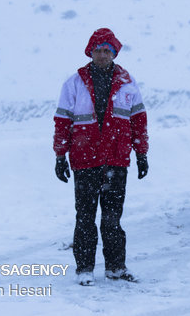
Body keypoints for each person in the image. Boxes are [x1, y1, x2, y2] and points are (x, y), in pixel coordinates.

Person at [53, 28, 149, 286]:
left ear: (114, 52)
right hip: (85, 161)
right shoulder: (73, 83)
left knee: (112, 219)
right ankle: (84, 269)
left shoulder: (128, 82)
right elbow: (62, 121)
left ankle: (116, 268)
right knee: (85, 217)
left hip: (116, 161)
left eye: (107, 50)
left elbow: (138, 120)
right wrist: (60, 155)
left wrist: (141, 153)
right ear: (90, 52)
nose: (102, 54)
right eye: (98, 50)